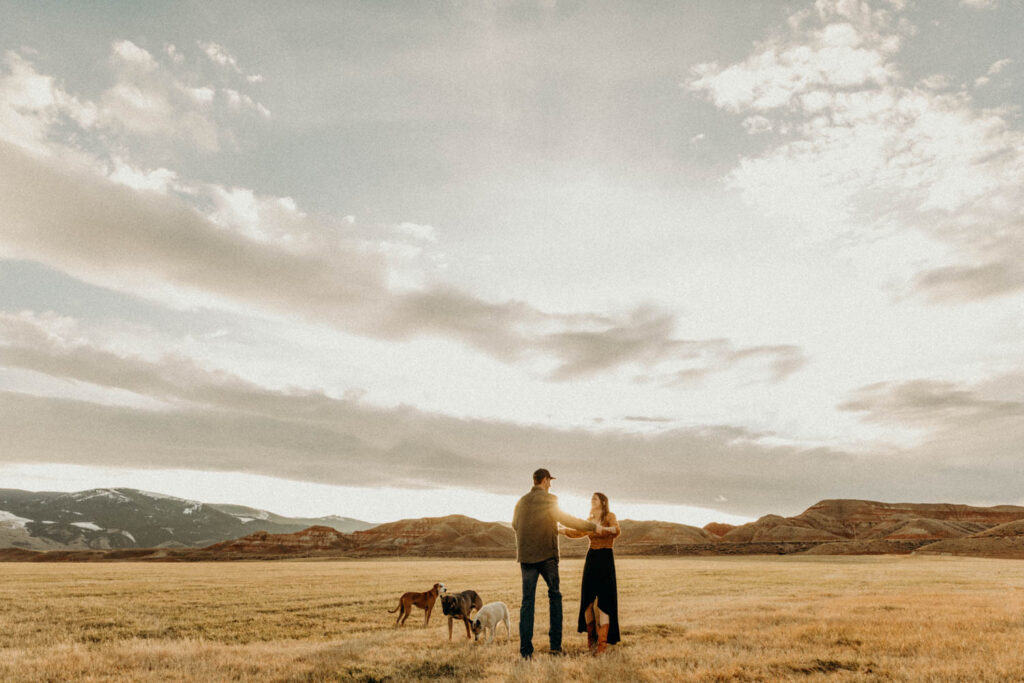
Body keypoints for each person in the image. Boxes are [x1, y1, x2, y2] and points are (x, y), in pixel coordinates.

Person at [512, 468, 611, 660]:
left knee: (527, 603)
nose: (550, 484)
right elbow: (568, 519)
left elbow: (515, 524)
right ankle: (555, 647)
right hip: (547, 556)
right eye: (550, 481)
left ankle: (526, 652)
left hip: (526, 557)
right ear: (545, 480)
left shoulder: (521, 501)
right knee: (555, 598)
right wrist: (594, 527)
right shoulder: (550, 500)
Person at [560, 492, 621, 654]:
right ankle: (591, 642)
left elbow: (616, 530)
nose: (591, 501)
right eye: (591, 499)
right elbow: (577, 532)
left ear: (602, 502)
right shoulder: (589, 520)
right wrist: (561, 530)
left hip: (606, 558)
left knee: (604, 601)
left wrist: (602, 529)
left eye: (595, 498)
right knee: (587, 600)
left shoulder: (610, 516)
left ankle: (602, 645)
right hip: (592, 558)